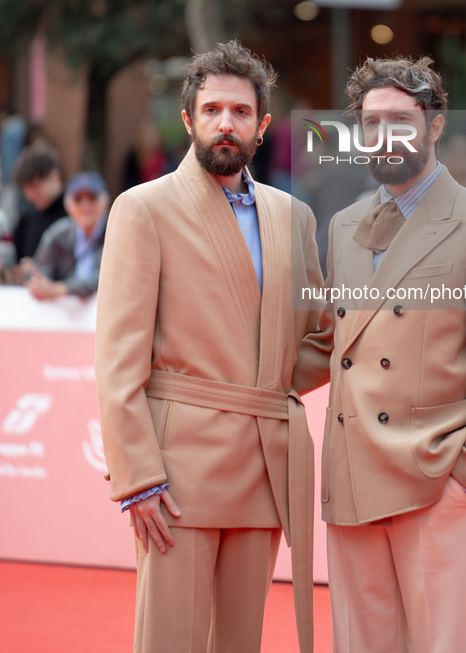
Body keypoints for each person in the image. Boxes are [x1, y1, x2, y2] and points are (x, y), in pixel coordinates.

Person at [298, 55, 466, 653]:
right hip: (352, 482)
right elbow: (336, 343)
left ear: (434, 124)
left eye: (401, 120)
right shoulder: (344, 225)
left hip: (436, 483)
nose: (386, 137)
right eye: (372, 123)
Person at [94, 40, 323, 653]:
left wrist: (264, 380)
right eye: (214, 109)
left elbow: (322, 334)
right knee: (171, 639)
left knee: (239, 642)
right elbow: (118, 361)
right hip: (174, 474)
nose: (227, 122)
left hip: (263, 462)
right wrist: (136, 477)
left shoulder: (293, 216)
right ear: (190, 119)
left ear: (263, 126)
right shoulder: (142, 209)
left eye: (241, 112)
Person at [26, 171, 110, 301]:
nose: (85, 206)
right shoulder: (57, 234)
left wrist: (60, 289)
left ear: (104, 202)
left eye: (92, 198)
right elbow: (39, 271)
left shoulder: (116, 234)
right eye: (78, 199)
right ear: (68, 205)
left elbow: (108, 278)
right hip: (63, 315)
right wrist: (38, 284)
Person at [10, 143, 67, 273]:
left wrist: (38, 268)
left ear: (54, 177)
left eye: (34, 186)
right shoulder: (26, 218)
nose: (30, 195)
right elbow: (16, 261)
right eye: (26, 188)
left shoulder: (74, 215)